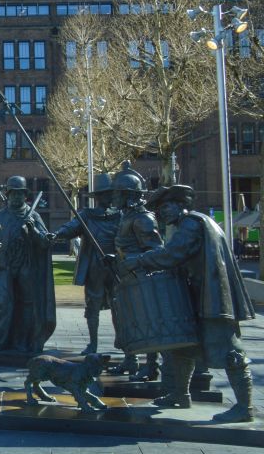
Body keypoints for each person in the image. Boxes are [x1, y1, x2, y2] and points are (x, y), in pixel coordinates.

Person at [122, 184, 256, 422]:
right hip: (198, 295)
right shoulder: (193, 222)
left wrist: (139, 260)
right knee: (183, 348)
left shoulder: (191, 224)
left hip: (212, 298)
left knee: (229, 351)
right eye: (159, 210)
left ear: (180, 205)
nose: (162, 213)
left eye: (165, 207)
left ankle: (245, 408)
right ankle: (180, 394)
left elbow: (172, 254)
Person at [0, 177, 55, 354]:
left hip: (26, 266)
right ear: (8, 195)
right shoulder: (0, 216)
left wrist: (33, 231)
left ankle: (22, 341)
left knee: (26, 304)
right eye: (13, 194)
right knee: (1, 302)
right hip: (4, 267)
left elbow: (45, 243)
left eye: (20, 194)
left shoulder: (33, 216)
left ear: (25, 196)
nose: (16, 197)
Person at [52, 173, 119, 355]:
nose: (108, 197)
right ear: (97, 197)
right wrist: (57, 234)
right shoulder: (86, 216)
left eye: (110, 194)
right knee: (93, 305)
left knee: (119, 304)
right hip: (95, 265)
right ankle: (93, 344)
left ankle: (123, 341)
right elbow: (70, 228)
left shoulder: (120, 215)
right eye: (104, 194)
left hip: (116, 264)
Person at [111, 162, 162, 379]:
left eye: (118, 193)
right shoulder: (127, 216)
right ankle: (130, 359)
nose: (114, 197)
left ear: (129, 195)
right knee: (127, 320)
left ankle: (151, 365)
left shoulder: (143, 218)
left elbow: (155, 251)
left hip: (141, 280)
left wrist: (133, 261)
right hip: (126, 277)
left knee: (146, 321)